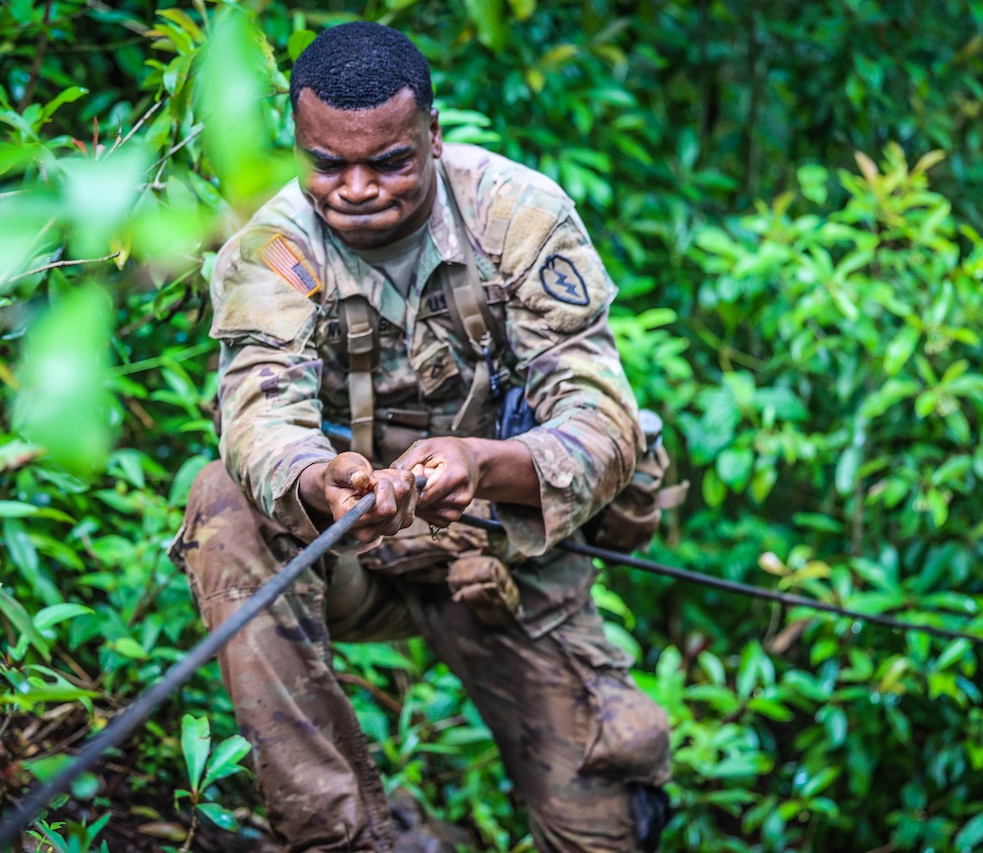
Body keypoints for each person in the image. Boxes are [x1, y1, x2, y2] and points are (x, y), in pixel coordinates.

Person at [174, 20, 671, 853]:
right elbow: (258, 421)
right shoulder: (270, 249)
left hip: (504, 559)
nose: (358, 187)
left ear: (433, 136)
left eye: (390, 161)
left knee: (604, 830)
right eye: (328, 164)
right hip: (350, 554)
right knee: (221, 499)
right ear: (297, 145)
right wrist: (316, 482)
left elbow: (603, 419)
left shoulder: (517, 214)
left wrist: (483, 464)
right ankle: (339, 836)